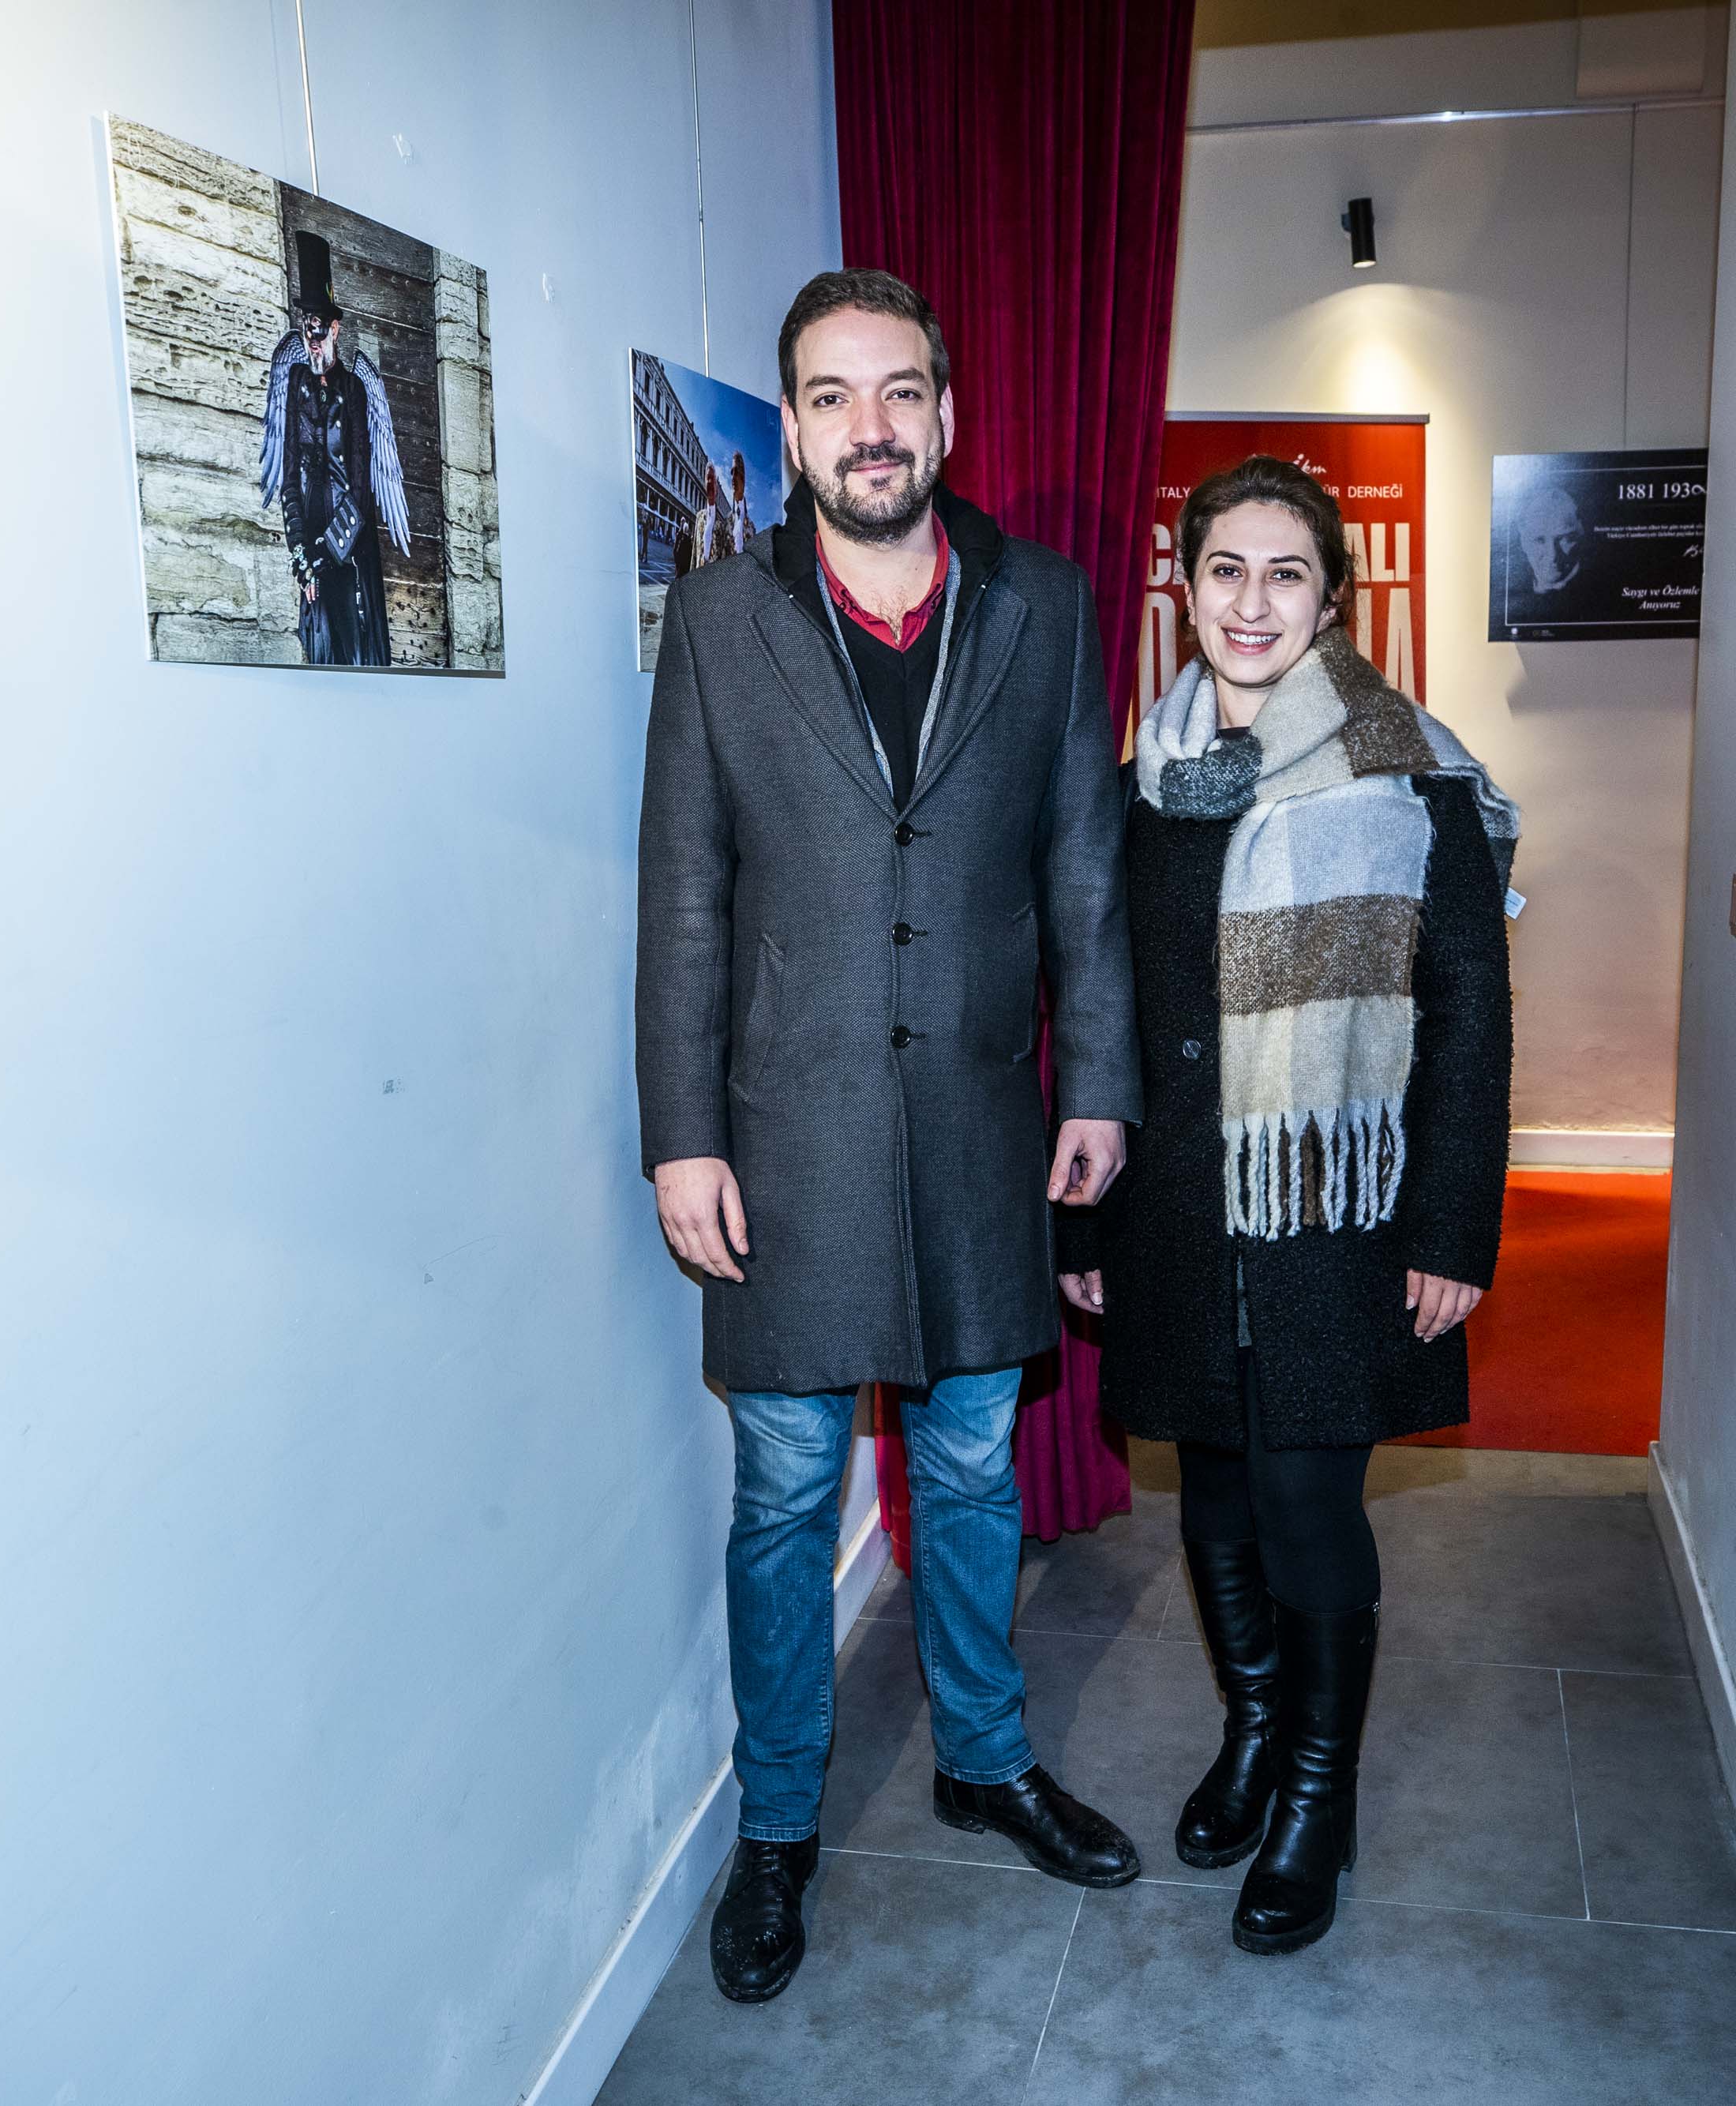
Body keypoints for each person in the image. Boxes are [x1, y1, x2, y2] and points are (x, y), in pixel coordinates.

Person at [635, 268, 1144, 2005]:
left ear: (947, 413)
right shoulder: (721, 618)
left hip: (983, 1126)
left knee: (974, 1468)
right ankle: (780, 1820)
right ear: (791, 432)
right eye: (834, 397)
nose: (872, 427)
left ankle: (983, 1757)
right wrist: (680, 1135)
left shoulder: (1044, 604)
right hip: (783, 1137)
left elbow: (1083, 862)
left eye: (900, 391)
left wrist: (1097, 1083)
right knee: (785, 1490)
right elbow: (685, 891)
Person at [1055, 455, 1515, 1956]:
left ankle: (1321, 1790)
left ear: (1332, 599)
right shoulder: (1150, 775)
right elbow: (1104, 1009)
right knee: (1216, 1486)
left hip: (1334, 1209)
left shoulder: (1412, 775)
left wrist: (1451, 1225)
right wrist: (1088, 1213)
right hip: (1183, 1208)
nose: (1253, 602)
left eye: (1287, 573)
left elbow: (1469, 1011)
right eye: (1227, 570)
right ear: (1186, 590)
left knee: (1309, 1497)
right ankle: (1255, 1726)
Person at [259, 230, 409, 666]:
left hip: (349, 550)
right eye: (307, 330)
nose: (313, 340)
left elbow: (360, 491)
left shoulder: (356, 388)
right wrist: (301, 555)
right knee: (320, 656)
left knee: (356, 653)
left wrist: (325, 553)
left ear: (335, 329)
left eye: (320, 330)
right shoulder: (294, 383)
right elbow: (289, 480)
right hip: (313, 551)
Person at [1502, 473, 1615, 631]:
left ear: (1582, 533)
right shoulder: (1509, 596)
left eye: (1564, 539)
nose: (1553, 555)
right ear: (1523, 541)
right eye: (1539, 540)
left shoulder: (1605, 599)